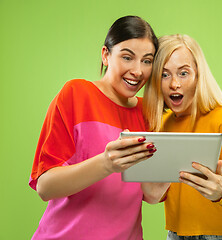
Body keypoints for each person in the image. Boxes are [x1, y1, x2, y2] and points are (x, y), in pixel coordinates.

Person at [29, 16, 165, 240]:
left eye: (147, 61)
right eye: (127, 57)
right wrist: (106, 163)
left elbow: (151, 195)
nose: (138, 71)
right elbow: (45, 185)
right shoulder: (76, 94)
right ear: (105, 55)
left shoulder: (148, 113)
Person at [143, 34, 222, 239]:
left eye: (184, 73)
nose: (174, 84)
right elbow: (160, 193)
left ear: (198, 76)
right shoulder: (163, 124)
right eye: (165, 74)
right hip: (176, 235)